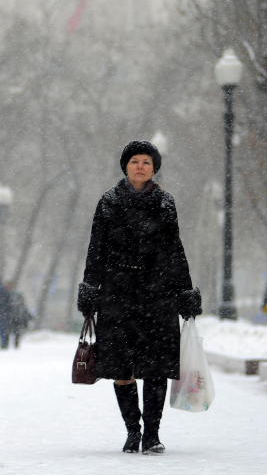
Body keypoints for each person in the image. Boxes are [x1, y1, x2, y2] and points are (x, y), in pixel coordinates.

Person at [77, 140, 202, 455]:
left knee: (157, 367)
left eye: (146, 161)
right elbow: (96, 250)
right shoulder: (108, 202)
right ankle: (133, 432)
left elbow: (175, 250)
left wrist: (184, 291)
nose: (140, 166)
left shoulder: (164, 203)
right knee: (122, 368)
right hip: (117, 296)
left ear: (154, 168)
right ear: (126, 166)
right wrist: (90, 289)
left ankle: (152, 435)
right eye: (135, 161)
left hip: (157, 295)